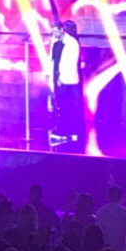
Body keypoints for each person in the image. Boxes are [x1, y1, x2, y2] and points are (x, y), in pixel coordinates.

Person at [50, 20, 83, 152]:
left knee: (66, 106)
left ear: (62, 30)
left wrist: (61, 78)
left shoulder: (71, 43)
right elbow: (52, 59)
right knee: (61, 105)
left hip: (66, 80)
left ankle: (66, 133)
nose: (54, 32)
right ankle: (64, 132)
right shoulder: (56, 41)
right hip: (58, 78)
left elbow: (69, 63)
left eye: (56, 30)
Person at [94, 186, 126, 251]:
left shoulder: (100, 211)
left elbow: (98, 231)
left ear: (108, 196)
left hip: (105, 248)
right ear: (120, 196)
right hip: (122, 248)